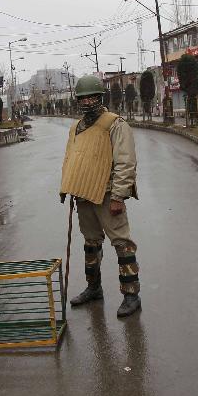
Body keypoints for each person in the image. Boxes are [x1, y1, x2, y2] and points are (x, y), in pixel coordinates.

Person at [60, 75, 141, 317]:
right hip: (84, 195)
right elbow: (70, 158)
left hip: (107, 196)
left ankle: (131, 294)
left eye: (91, 97)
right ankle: (93, 288)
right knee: (91, 244)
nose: (86, 102)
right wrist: (66, 187)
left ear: (100, 98)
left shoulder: (115, 124)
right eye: (82, 98)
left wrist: (118, 196)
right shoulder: (76, 127)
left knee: (122, 244)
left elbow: (126, 162)